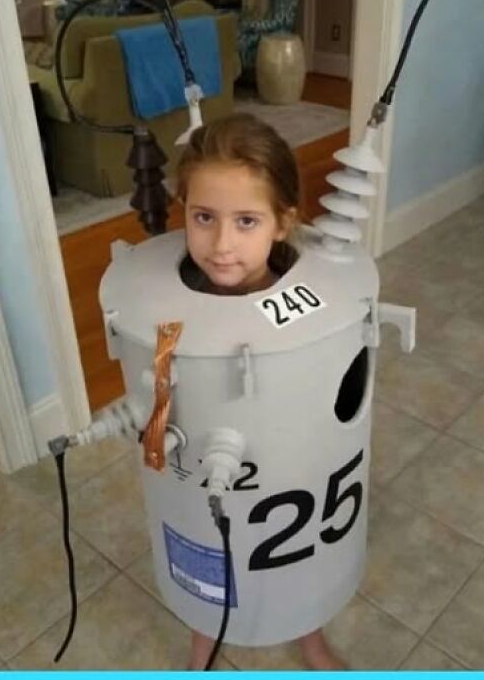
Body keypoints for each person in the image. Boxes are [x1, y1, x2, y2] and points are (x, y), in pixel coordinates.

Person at [174, 113, 346, 670]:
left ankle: (309, 633)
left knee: (298, 545)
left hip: (287, 471)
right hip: (208, 464)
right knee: (202, 534)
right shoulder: (170, 305)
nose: (222, 244)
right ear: (184, 210)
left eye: (246, 221)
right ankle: (204, 642)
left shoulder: (301, 311)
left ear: (282, 223)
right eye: (204, 217)